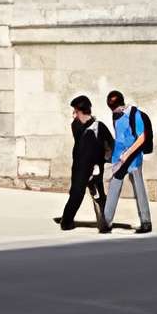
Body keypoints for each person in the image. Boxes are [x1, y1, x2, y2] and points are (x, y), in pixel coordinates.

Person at [100, 88, 152, 233]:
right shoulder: (115, 115)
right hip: (119, 158)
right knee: (114, 187)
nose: (114, 111)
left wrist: (128, 153)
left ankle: (146, 222)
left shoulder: (135, 115)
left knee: (139, 188)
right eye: (112, 109)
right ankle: (106, 221)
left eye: (115, 108)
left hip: (133, 157)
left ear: (121, 104)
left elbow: (142, 137)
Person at [54, 94, 106, 230]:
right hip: (80, 166)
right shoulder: (77, 125)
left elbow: (108, 146)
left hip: (94, 167)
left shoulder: (99, 127)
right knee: (76, 194)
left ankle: (105, 222)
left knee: (99, 197)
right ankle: (66, 221)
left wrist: (99, 163)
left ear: (81, 111)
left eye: (75, 111)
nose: (73, 115)